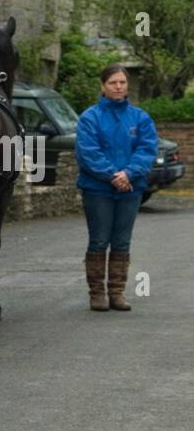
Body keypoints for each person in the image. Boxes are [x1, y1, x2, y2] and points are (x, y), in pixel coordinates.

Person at [74, 64, 156, 312]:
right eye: (113, 83)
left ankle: (117, 293)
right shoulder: (90, 117)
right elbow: (88, 153)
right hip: (97, 190)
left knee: (122, 242)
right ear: (103, 86)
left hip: (130, 190)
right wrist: (113, 175)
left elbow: (147, 149)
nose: (118, 86)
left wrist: (129, 173)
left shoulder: (140, 117)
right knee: (99, 241)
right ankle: (97, 293)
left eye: (122, 82)